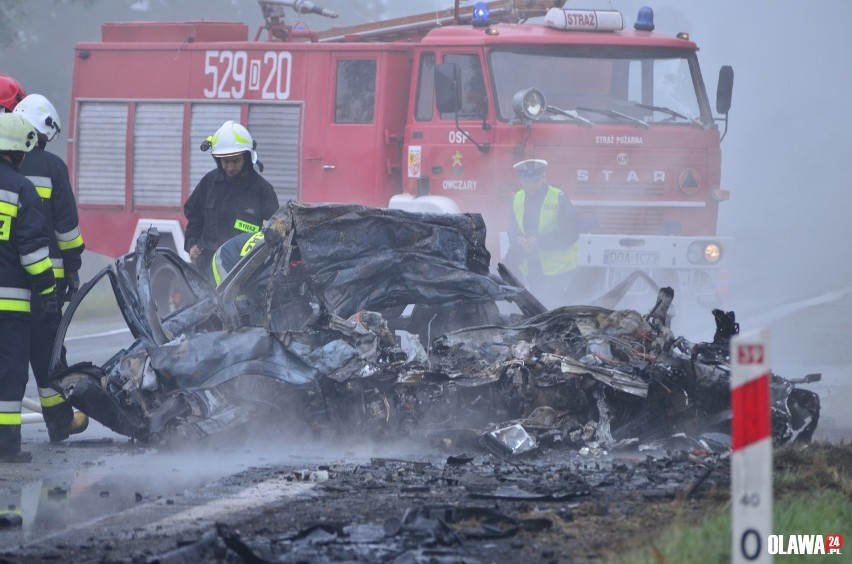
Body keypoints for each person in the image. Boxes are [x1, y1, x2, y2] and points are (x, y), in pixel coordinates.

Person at [14, 94, 88, 443]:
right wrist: (72, 267)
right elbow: (68, 231)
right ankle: (59, 421)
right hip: (48, 286)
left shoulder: (6, 168)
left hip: (7, 280)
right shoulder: (53, 168)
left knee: (7, 356)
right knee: (48, 354)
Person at [0, 113, 57, 463]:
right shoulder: (22, 189)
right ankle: (6, 446)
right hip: (11, 308)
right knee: (9, 374)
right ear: (19, 153)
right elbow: (34, 254)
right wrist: (47, 291)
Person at [183, 121, 279, 283]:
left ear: (247, 158)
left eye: (235, 160)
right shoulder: (209, 183)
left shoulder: (262, 189)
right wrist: (192, 244)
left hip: (244, 273)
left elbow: (277, 229)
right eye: (225, 161)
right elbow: (194, 216)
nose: (230, 166)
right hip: (206, 272)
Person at [504, 158, 580, 308]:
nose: (531, 185)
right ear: (520, 180)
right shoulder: (517, 199)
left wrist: (540, 242)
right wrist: (518, 239)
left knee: (552, 307)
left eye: (535, 181)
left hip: (558, 270)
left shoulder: (559, 197)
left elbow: (572, 233)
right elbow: (512, 229)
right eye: (526, 182)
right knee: (537, 307)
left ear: (543, 177)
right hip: (532, 266)